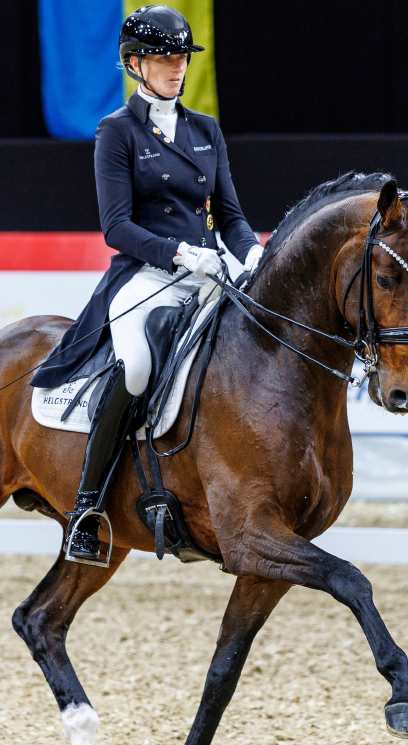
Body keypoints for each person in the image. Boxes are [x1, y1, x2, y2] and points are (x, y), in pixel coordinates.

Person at [30, 5, 264, 566]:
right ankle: (87, 508)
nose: (176, 68)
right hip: (148, 275)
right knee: (135, 365)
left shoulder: (205, 130)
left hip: (210, 273)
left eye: (181, 57)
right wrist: (181, 252)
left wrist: (253, 253)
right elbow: (116, 227)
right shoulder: (117, 132)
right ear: (135, 63)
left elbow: (228, 214)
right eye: (164, 58)